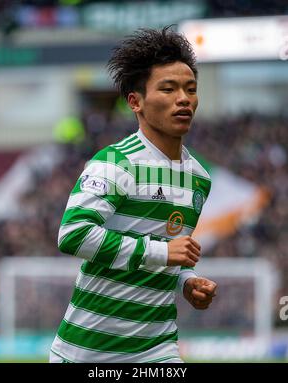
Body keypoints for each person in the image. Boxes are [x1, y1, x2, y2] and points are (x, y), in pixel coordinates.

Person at [50, 26, 217, 363]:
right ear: (135, 101)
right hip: (88, 351)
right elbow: (73, 235)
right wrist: (163, 253)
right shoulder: (115, 163)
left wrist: (187, 281)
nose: (183, 98)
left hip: (158, 349)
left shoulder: (199, 178)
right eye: (168, 89)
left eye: (190, 89)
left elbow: (171, 252)